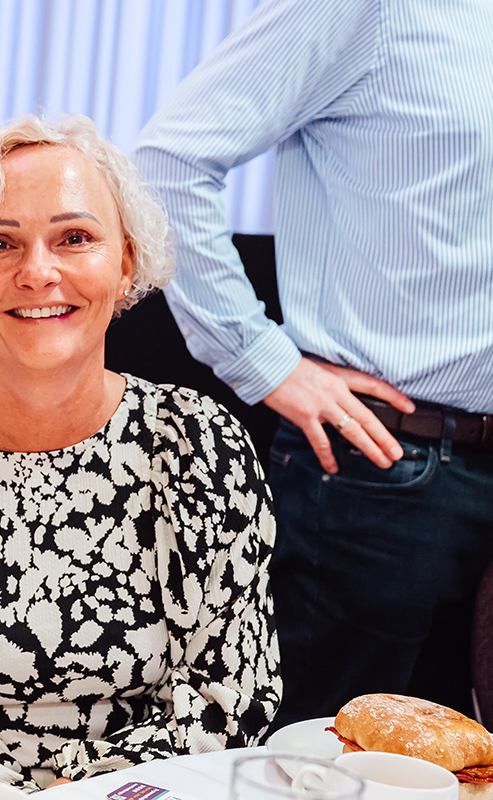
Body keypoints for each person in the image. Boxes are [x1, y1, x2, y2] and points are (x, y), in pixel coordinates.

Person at [0, 113, 281, 791]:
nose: (38, 272)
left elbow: (231, 702)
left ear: (125, 263)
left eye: (74, 238)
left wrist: (82, 791)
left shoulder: (198, 444)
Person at [130, 0, 493, 727]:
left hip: (472, 471)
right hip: (382, 470)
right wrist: (264, 361)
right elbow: (168, 162)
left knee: (460, 767)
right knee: (316, 758)